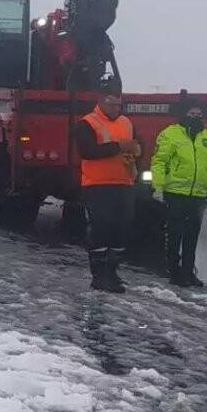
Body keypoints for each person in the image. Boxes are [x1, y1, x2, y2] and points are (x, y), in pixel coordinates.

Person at [75, 90, 141, 293]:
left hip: (124, 183)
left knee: (122, 228)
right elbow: (87, 151)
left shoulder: (126, 123)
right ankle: (99, 276)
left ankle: (112, 272)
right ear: (101, 103)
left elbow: (136, 144)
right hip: (98, 185)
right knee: (102, 229)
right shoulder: (87, 123)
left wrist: (138, 151)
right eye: (112, 105)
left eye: (119, 105)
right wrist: (118, 147)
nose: (116, 109)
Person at [150, 98, 207, 287]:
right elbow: (159, 162)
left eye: (199, 115)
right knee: (175, 234)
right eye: (192, 114)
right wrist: (158, 186)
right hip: (176, 192)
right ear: (184, 115)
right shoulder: (170, 134)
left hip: (198, 195)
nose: (196, 118)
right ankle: (174, 271)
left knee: (192, 235)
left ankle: (189, 272)